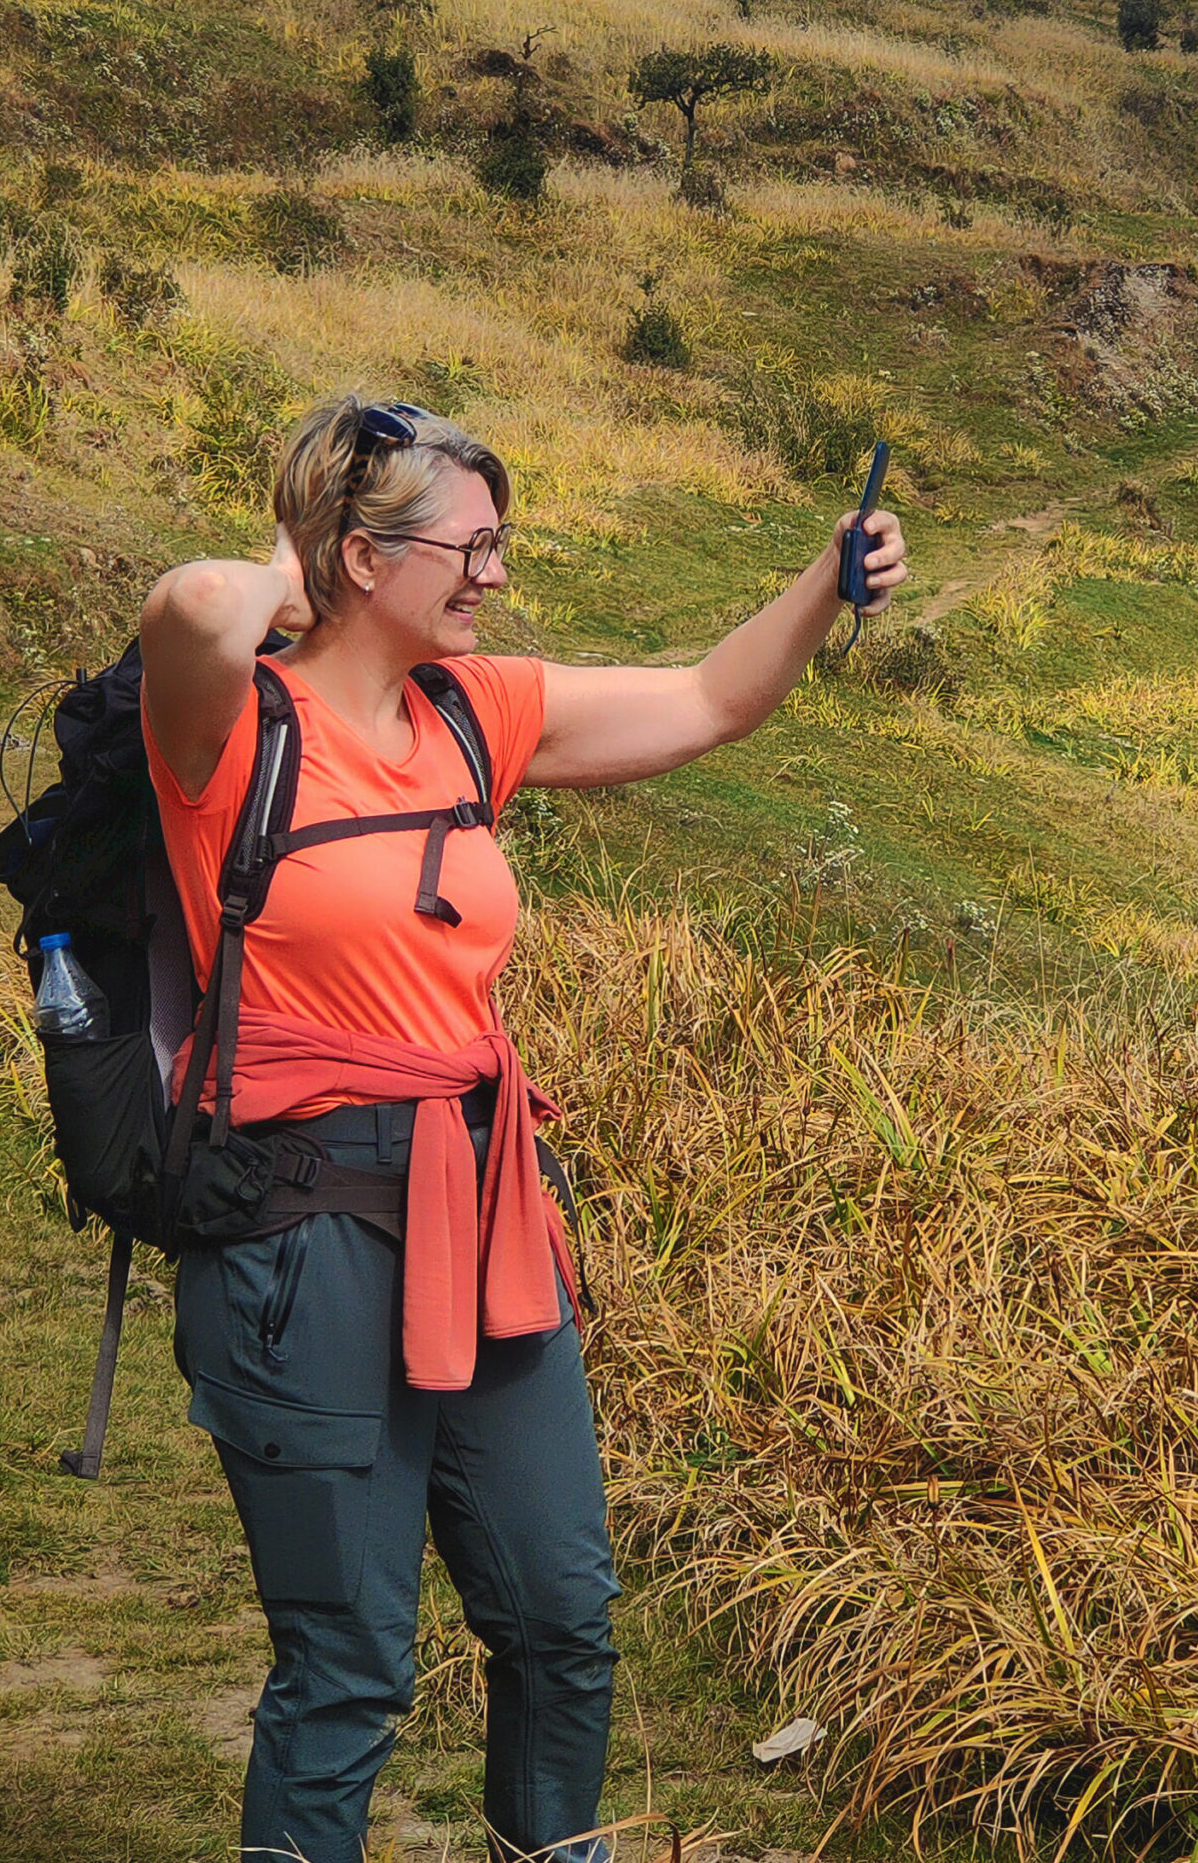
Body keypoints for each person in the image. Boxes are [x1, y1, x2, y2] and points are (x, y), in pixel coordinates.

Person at [139, 397, 907, 1863]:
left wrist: (826, 578)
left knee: (564, 1618)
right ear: (366, 560)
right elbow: (187, 606)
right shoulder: (231, 734)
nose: (495, 575)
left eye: (502, 544)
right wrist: (291, 576)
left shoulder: (470, 711)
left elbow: (706, 701)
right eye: (472, 547)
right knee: (349, 1663)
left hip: (483, 1216)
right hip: (298, 1239)